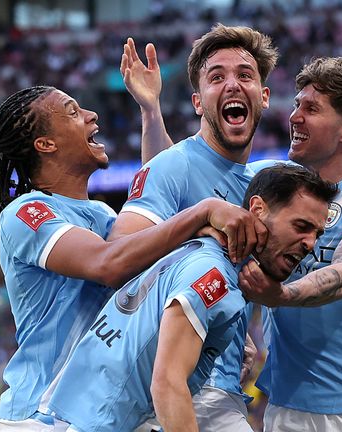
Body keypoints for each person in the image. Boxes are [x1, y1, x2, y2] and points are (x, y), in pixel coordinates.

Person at [0, 85, 265, 431]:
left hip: (93, 416)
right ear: (46, 144)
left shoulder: (103, 217)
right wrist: (202, 213)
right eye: (72, 111)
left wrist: (151, 111)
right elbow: (108, 265)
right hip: (37, 417)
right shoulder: (26, 212)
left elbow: (162, 212)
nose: (90, 115)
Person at [130, 53, 342, 430]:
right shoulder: (271, 182)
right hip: (285, 412)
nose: (294, 117)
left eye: (311, 109)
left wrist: (280, 295)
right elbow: (175, 180)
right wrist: (151, 110)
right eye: (297, 105)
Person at [46, 165, 337, 432]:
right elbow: (167, 384)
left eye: (317, 233)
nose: (310, 244)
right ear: (257, 209)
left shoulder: (200, 250)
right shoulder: (213, 277)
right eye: (301, 227)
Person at [113, 24, 278, 431]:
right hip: (163, 396)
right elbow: (120, 254)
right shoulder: (174, 165)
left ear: (265, 97)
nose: (233, 85)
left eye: (245, 75)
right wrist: (200, 221)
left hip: (225, 394)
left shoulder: (264, 183)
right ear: (198, 102)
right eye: (216, 77)